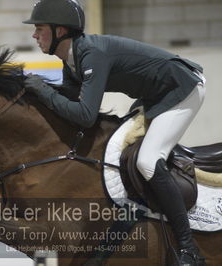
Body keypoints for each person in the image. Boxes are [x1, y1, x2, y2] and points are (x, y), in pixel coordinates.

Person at [22, 0, 206, 265]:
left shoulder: (92, 53)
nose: (34, 35)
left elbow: (85, 116)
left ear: (60, 31)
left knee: (147, 161)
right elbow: (66, 106)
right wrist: (38, 92)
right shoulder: (71, 59)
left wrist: (43, 90)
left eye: (39, 28)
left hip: (182, 89)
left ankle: (189, 249)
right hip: (154, 97)